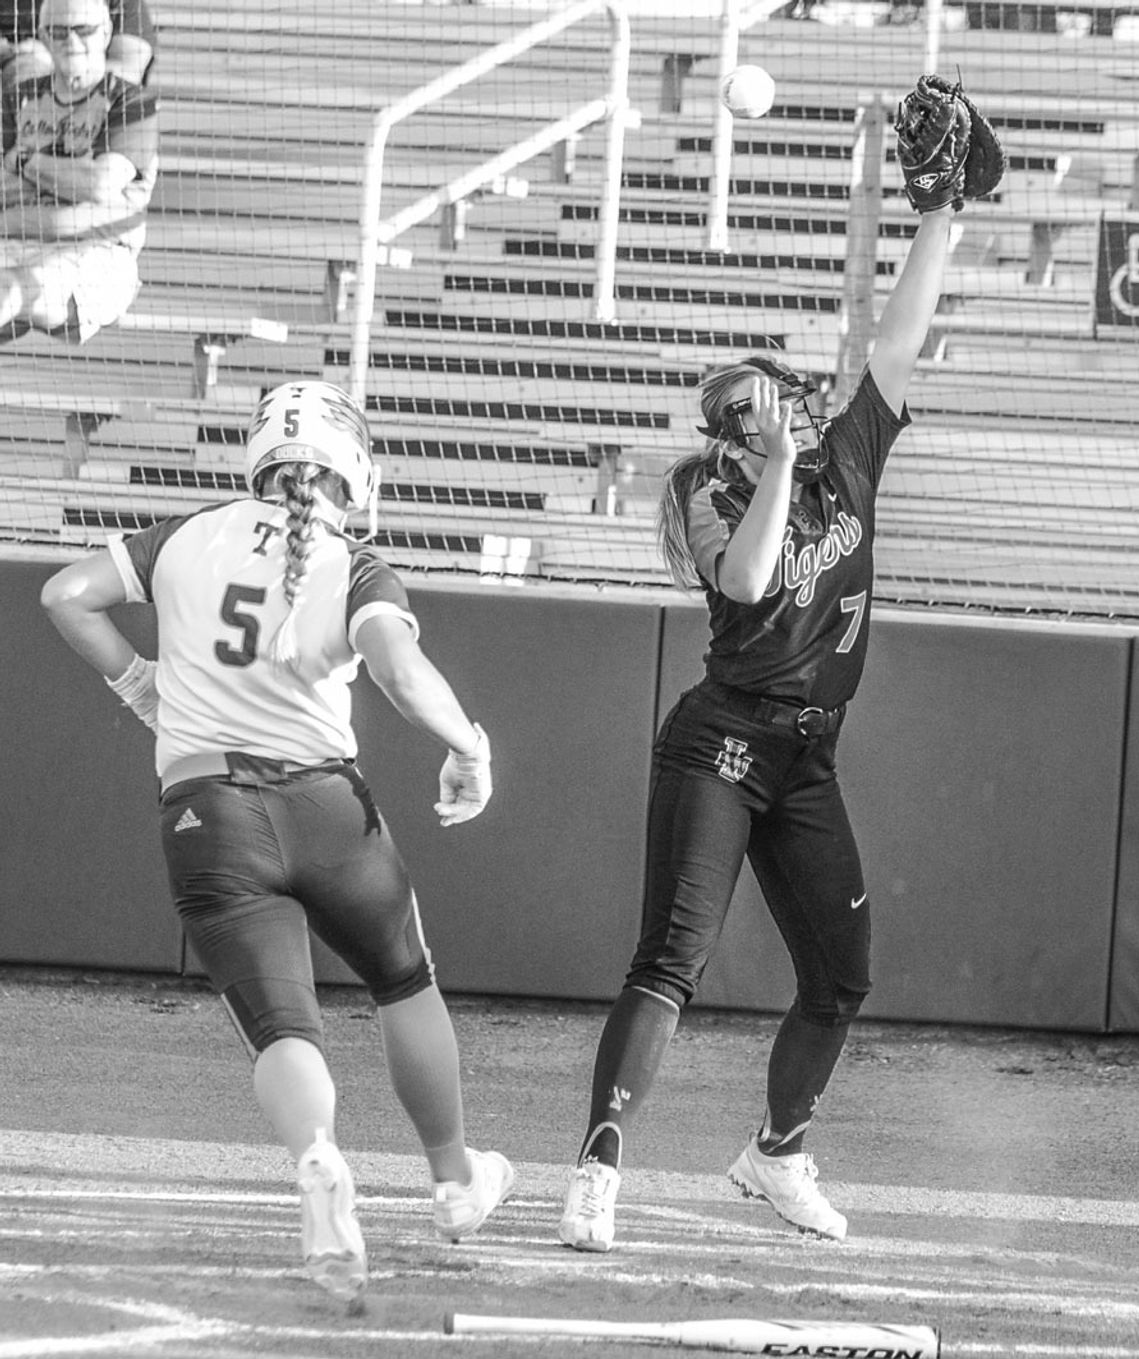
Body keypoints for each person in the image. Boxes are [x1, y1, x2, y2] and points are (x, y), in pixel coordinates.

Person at [557, 86, 973, 1252]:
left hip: (806, 755)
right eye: (758, 403)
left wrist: (938, 214)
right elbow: (745, 584)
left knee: (842, 978)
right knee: (672, 960)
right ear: (728, 429)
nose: (783, 402)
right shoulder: (708, 489)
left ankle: (776, 1153)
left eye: (779, 392)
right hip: (723, 742)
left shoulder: (841, 453)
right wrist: (778, 463)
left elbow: (897, 336)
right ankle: (598, 1164)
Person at [40, 379, 514, 1306]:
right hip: (328, 805)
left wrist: (142, 686)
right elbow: (401, 671)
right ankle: (456, 1182)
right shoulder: (353, 562)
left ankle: (318, 1158)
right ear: (355, 472)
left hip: (207, 810)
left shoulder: (185, 533)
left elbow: (66, 593)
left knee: (282, 1027)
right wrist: (471, 744)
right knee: (404, 980)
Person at [0, 0, 157, 344]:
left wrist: (29, 163)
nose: (71, 41)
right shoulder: (19, 99)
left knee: (13, 287)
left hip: (96, 256)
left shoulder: (132, 103)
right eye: (58, 32)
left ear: (106, 32)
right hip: (14, 244)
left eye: (83, 30)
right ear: (42, 37)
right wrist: (65, 182)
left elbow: (99, 185)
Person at [0, 0, 155, 94]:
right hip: (18, 107)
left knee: (31, 68)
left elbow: (128, 70)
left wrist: (53, 62)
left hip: (99, 114)